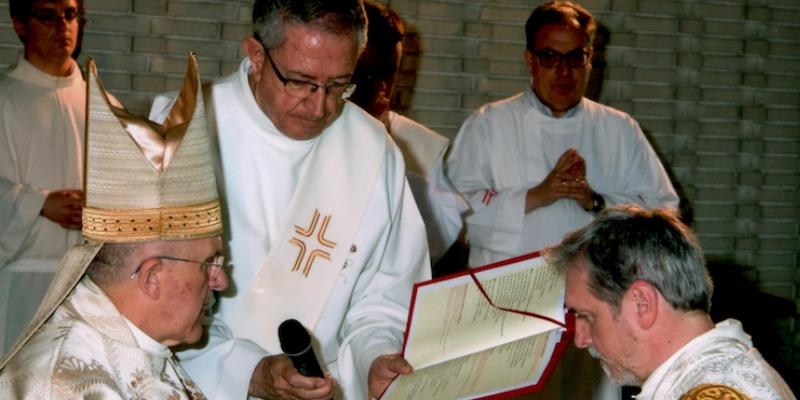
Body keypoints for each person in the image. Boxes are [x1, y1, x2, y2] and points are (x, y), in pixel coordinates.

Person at [149, 1, 431, 399]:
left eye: (339, 85)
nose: (320, 107)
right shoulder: (184, 128)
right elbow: (150, 298)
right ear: (257, 55)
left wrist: (375, 357)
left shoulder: (372, 149)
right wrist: (250, 371)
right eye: (300, 82)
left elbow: (385, 297)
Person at [0, 53, 230, 398]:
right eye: (210, 263)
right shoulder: (64, 386)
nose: (222, 280)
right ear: (152, 277)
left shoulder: (138, 344)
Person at [445, 0, 679, 268]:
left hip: (598, 295)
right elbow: (454, 216)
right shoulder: (488, 124)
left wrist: (597, 201)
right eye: (550, 57)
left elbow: (663, 215)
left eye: (575, 57)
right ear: (530, 60)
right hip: (509, 294)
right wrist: (540, 194)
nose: (564, 72)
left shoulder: (619, 129)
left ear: (589, 59)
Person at [546, 205, 796, 399]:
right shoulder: (710, 374)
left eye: (587, 316)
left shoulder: (710, 390)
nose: (580, 339)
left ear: (642, 305)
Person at [348, 0, 469, 265]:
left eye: (389, 73)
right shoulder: (306, 124)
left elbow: (432, 246)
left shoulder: (420, 148)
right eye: (365, 74)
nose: (381, 86)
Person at [0, 0, 87, 352]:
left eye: (69, 14)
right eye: (46, 16)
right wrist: (36, 202)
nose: (62, 26)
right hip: (18, 282)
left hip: (86, 288)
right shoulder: (4, 97)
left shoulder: (101, 103)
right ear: (20, 24)